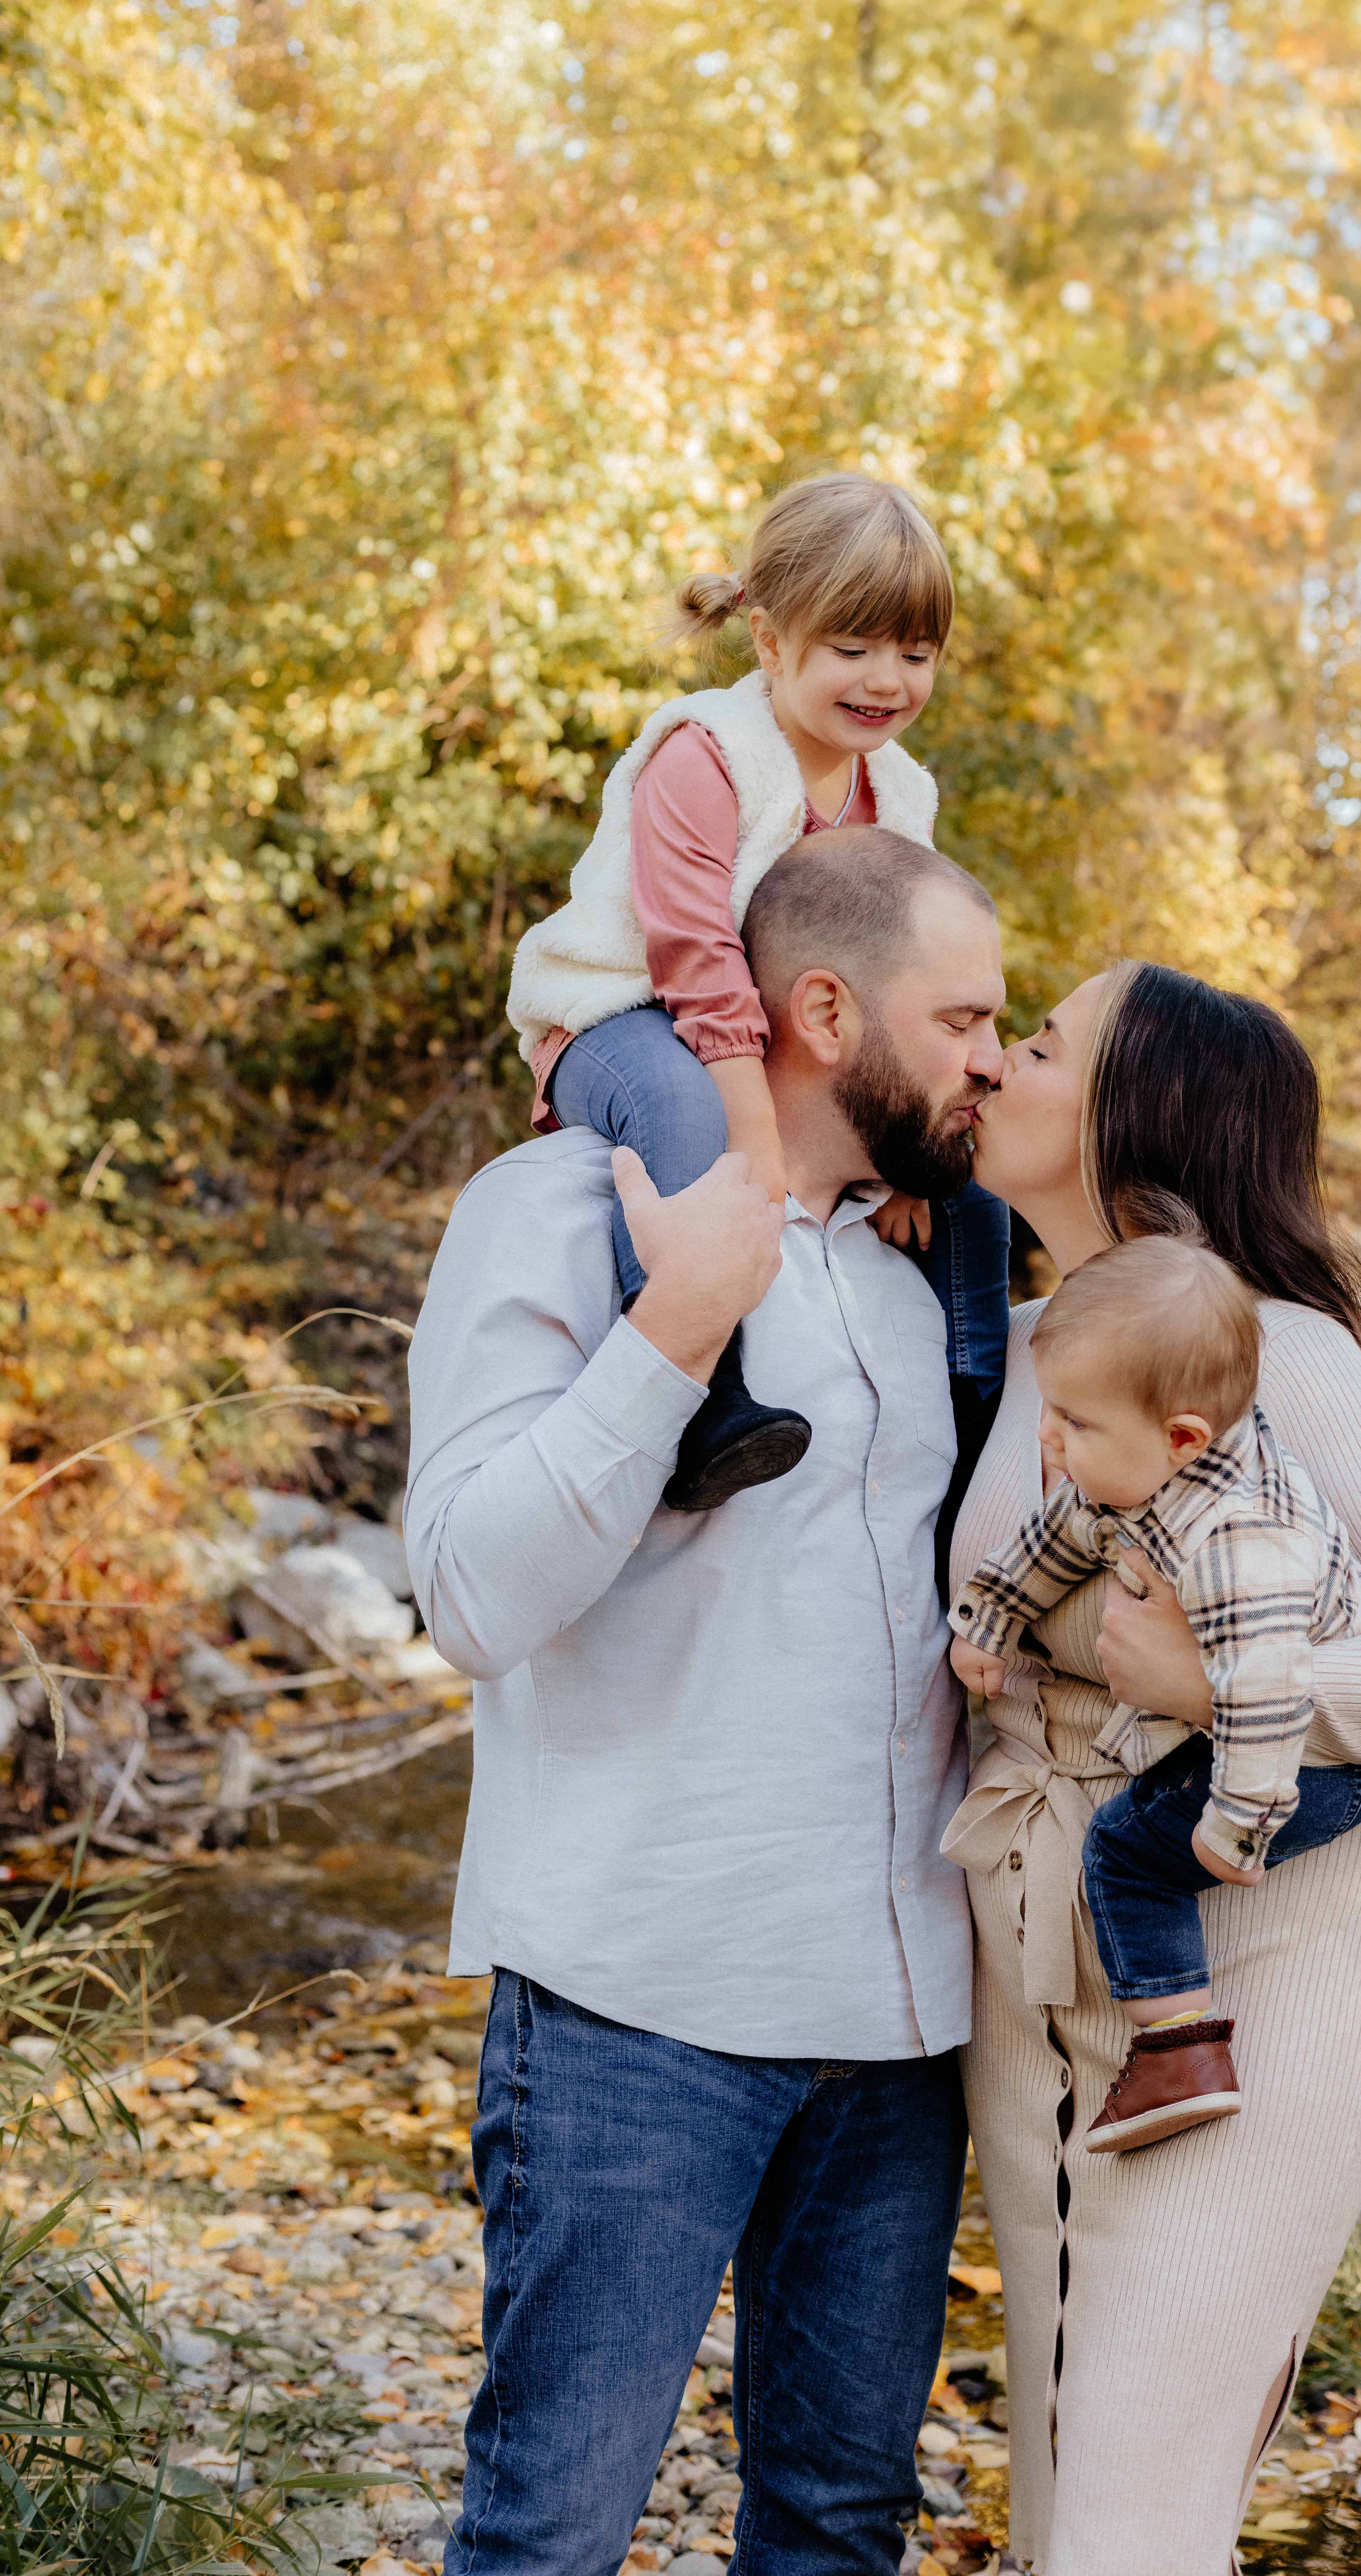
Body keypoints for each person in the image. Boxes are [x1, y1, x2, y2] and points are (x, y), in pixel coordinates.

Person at [405, 826, 1006, 2576]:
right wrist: (673, 1336)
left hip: (902, 2027)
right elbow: (470, 1597)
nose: (989, 1050)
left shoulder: (936, 1267)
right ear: (823, 1009)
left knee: (839, 2523)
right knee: (550, 2534)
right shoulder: (560, 1205)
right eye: (962, 1012)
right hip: (633, 2008)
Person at [945, 962, 1361, 2576]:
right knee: (1071, 2493)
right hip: (1041, 1955)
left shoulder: (1276, 1352)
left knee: (1126, 2524)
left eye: (1042, 1043)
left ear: (1135, 1110)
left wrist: (1224, 1682)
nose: (999, 1057)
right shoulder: (1004, 1339)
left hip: (1262, 1951)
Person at [948, 1233, 1361, 2157]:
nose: (1050, 1438)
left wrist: (1238, 1823)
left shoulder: (1236, 1543)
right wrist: (990, 1618)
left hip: (1303, 1767)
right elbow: (1058, 1537)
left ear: (1181, 1437)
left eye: (1074, 1424)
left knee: (1126, 1853)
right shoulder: (1160, 1473)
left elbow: (1267, 1696)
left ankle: (1178, 2051)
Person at [506, 473, 1008, 1510]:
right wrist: (755, 1128)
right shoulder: (706, 755)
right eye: (854, 649)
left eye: (916, 654)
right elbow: (690, 948)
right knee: (685, 1116)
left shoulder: (897, 791)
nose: (888, 681)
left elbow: (898, 968)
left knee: (971, 1167)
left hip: (767, 1033)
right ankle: (701, 1398)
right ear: (772, 641)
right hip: (623, 1011)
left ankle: (973, 1406)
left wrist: (916, 1149)